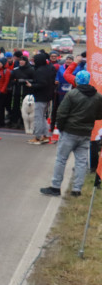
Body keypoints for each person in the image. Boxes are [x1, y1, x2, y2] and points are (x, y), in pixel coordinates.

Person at [39, 70, 102, 198]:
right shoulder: (98, 96)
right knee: (81, 161)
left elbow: (62, 113)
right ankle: (76, 190)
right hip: (85, 132)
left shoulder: (72, 94)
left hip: (69, 131)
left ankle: (55, 187)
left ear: (77, 80)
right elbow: (100, 114)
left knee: (61, 159)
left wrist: (61, 128)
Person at [29, 52, 56, 144]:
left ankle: (37, 137)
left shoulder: (40, 70)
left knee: (38, 117)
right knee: (43, 117)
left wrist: (31, 85)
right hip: (48, 96)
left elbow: (41, 84)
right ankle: (45, 136)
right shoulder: (49, 68)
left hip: (40, 96)